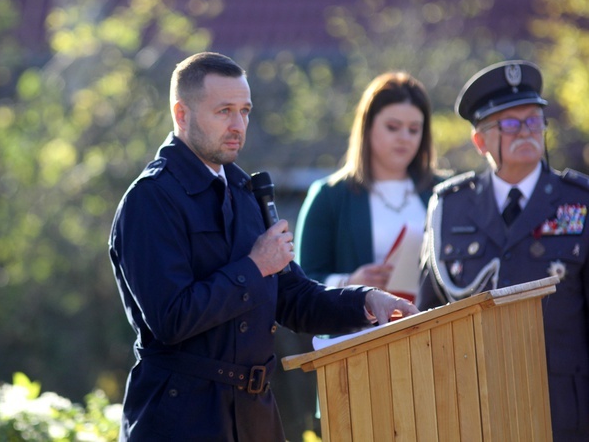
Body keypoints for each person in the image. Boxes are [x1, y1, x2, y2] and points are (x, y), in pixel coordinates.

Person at [108, 52, 419, 442]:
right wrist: (254, 268)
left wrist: (365, 301)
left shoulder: (244, 192)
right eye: (224, 111)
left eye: (245, 111)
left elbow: (295, 299)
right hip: (180, 420)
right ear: (181, 114)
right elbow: (172, 319)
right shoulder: (150, 199)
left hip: (255, 418)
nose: (238, 125)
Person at [416, 60, 589, 441]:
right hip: (473, 408)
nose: (525, 132)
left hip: (562, 412)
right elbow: (427, 316)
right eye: (510, 124)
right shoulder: (450, 205)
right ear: (480, 142)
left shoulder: (578, 201)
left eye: (534, 121)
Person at [295, 72, 442, 296]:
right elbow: (302, 282)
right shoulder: (329, 196)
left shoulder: (444, 192)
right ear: (367, 127)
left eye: (414, 129)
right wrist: (349, 281)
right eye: (393, 127)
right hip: (359, 329)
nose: (405, 137)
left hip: (433, 326)